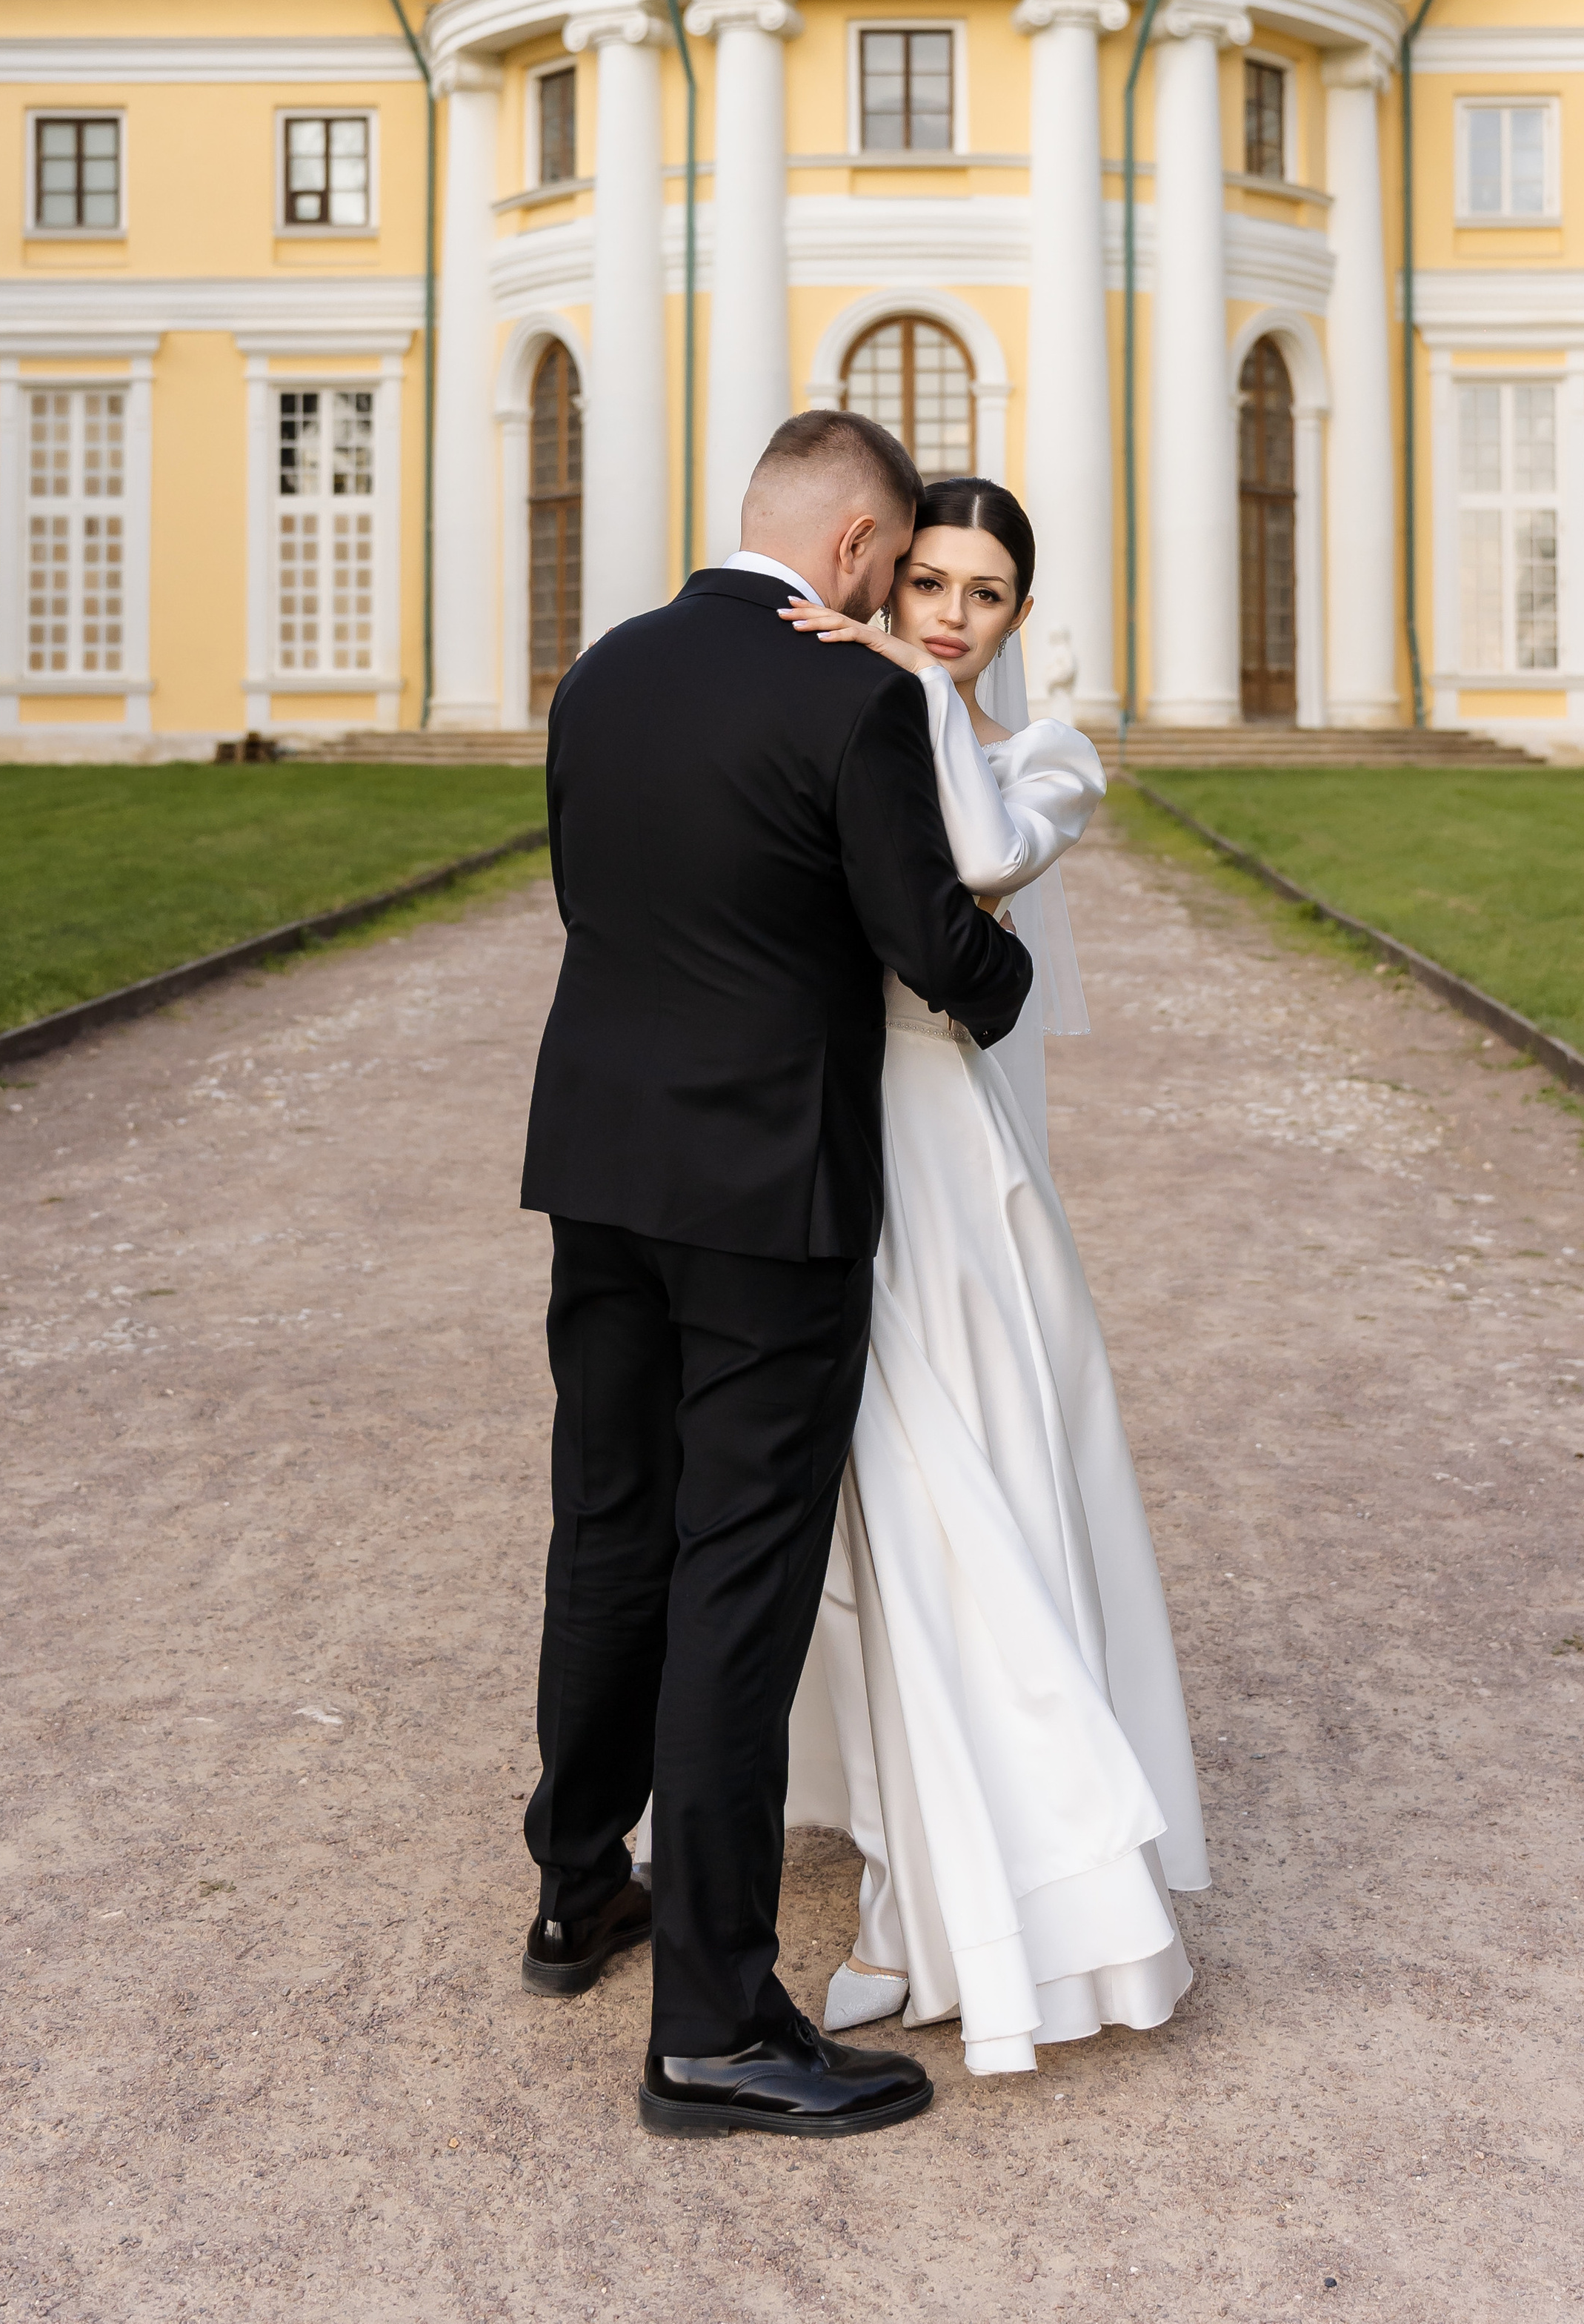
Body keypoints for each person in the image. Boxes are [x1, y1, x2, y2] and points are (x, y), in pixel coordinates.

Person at [518, 412, 1033, 2139]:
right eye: (894, 566)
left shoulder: (599, 674)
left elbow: (597, 895)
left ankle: (576, 1885)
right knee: (736, 1577)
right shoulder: (851, 693)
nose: (899, 596)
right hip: (766, 1196)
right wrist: (1009, 971)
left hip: (598, 1169)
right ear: (855, 548)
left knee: (604, 1526)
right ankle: (715, 2026)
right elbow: (924, 942)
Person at [779, 477, 1210, 2076]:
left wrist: (895, 684)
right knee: (871, 1523)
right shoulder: (853, 730)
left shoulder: (1047, 757)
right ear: (887, 583)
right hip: (830, 1143)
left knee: (969, 1500)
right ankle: (903, 1866)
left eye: (982, 595)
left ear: (1017, 620)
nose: (950, 614)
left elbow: (968, 851)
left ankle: (983, 1894)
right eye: (927, 586)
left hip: (952, 1171)